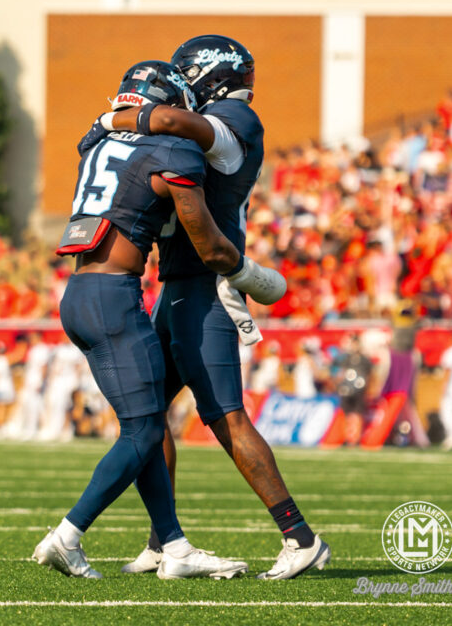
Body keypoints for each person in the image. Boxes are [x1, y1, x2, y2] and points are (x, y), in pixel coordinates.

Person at [33, 60, 279, 581]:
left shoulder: (96, 143)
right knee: (144, 430)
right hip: (116, 298)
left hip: (77, 294)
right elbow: (208, 242)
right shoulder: (171, 149)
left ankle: (173, 544)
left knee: (142, 425)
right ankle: (67, 535)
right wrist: (247, 273)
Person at [105, 35, 330, 582]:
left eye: (184, 77)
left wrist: (116, 119)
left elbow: (176, 123)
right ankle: (164, 540)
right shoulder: (207, 125)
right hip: (179, 285)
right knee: (145, 415)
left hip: (207, 288)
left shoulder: (234, 118)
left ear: (209, 75)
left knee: (225, 416)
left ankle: (300, 538)